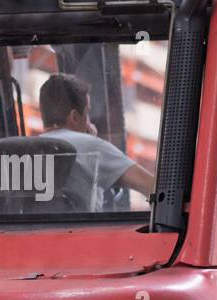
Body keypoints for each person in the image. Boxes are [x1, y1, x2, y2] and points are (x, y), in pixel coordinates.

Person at [37, 72, 155, 210]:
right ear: (74, 117)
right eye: (87, 114)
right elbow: (151, 186)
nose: (89, 123)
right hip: (81, 231)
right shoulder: (89, 147)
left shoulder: (24, 151)